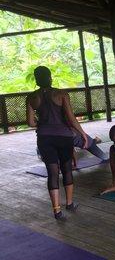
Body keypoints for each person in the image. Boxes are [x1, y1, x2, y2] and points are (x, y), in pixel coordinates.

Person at [26, 66, 89, 221]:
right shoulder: (61, 94)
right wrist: (82, 134)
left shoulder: (31, 97)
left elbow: (30, 122)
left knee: (52, 173)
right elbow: (70, 118)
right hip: (63, 137)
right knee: (67, 169)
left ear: (36, 79)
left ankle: (57, 211)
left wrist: (43, 124)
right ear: (50, 77)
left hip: (44, 138)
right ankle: (69, 203)